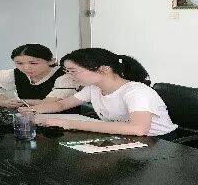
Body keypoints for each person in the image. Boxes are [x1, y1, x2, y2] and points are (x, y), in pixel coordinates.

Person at [19, 48, 178, 138]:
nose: (69, 76)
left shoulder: (136, 92)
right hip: (126, 138)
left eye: (73, 71)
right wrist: (31, 111)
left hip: (158, 142)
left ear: (104, 70)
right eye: (67, 71)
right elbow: (61, 105)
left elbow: (138, 129)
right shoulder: (93, 88)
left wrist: (68, 123)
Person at [0, 44, 79, 109]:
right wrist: (3, 103)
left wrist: (15, 102)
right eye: (19, 63)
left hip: (64, 121)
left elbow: (49, 104)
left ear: (51, 61)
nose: (26, 68)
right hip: (31, 118)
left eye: (33, 63)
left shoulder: (66, 76)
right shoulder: (11, 75)